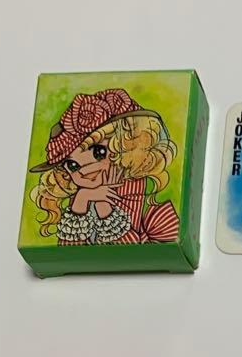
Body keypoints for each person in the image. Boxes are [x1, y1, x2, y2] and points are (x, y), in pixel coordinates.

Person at [29, 88, 179, 245]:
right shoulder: (82, 192)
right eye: (73, 165)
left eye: (98, 152)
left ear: (126, 148)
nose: (85, 171)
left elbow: (129, 250)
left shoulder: (138, 190)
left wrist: (104, 206)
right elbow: (68, 253)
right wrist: (81, 200)